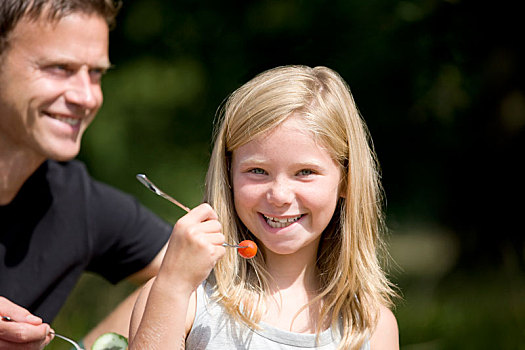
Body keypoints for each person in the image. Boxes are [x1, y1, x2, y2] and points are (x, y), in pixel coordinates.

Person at [129, 65, 399, 349]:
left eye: (305, 172)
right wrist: (173, 285)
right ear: (228, 174)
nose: (279, 195)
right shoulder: (184, 299)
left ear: (346, 179)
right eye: (258, 171)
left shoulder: (371, 326)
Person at [0, 1, 172, 349]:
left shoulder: (77, 201)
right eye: (59, 68)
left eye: (96, 73)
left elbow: (203, 272)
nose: (87, 96)